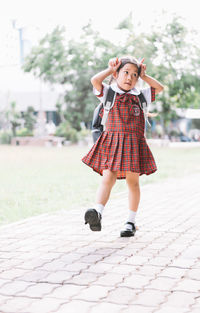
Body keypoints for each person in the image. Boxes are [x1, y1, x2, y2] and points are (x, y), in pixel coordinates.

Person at [82, 56, 164, 237]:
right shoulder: (108, 93)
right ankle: (97, 212)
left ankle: (131, 222)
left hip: (133, 144)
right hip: (112, 142)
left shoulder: (141, 95)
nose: (130, 78)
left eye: (134, 75)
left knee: (133, 182)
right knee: (107, 177)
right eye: (126, 73)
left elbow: (159, 88)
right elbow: (95, 80)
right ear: (117, 74)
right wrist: (110, 69)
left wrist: (145, 75)